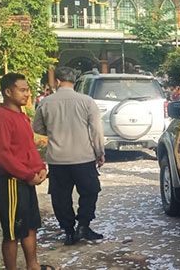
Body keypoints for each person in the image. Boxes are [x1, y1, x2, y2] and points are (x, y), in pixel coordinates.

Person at [33, 67, 106, 245]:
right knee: (90, 192)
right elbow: (96, 130)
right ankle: (83, 225)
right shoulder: (87, 101)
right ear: (74, 82)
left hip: (57, 160)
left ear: (57, 81)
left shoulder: (46, 102)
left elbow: (37, 128)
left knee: (61, 197)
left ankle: (68, 231)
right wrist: (99, 152)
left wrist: (52, 130)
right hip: (83, 158)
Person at [0, 73, 52, 270]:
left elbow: (28, 148)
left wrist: (40, 168)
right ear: (8, 91)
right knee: (13, 233)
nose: (27, 94)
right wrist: (27, 175)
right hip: (10, 183)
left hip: (25, 181)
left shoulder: (22, 117)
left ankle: (33, 266)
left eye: (27, 90)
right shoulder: (0, 119)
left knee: (30, 227)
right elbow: (2, 156)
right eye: (22, 90)